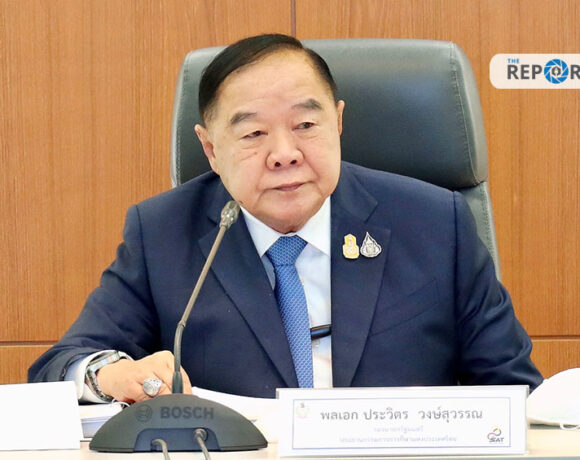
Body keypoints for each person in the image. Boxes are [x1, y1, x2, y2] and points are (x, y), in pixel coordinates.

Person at [28, 33, 543, 402]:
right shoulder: (163, 233)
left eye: (305, 124)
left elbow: (514, 390)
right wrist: (108, 375)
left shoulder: (435, 223)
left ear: (337, 122)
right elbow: (62, 364)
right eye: (253, 134)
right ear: (210, 149)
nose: (284, 154)